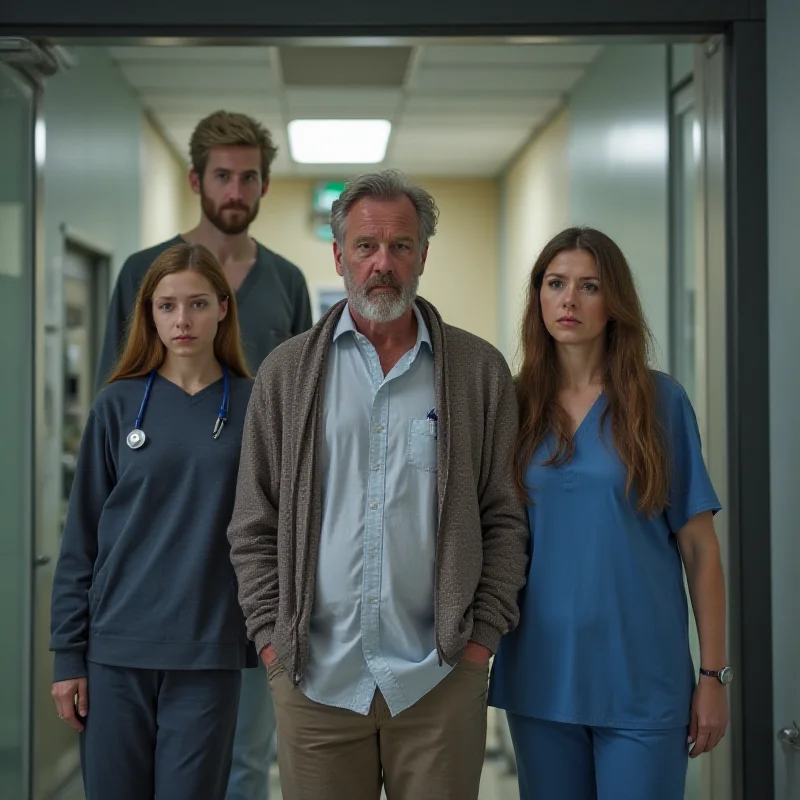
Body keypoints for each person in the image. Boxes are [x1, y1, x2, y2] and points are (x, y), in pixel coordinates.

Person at [226, 169, 530, 800]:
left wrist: (478, 646)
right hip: (315, 683)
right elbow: (254, 521)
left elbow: (504, 516)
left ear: (423, 255)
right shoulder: (285, 375)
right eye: (365, 246)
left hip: (439, 678)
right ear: (340, 255)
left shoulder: (477, 373)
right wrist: (272, 649)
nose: (382, 264)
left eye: (400, 246)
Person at [95, 110, 311, 799]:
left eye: (249, 176)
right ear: (196, 179)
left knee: (244, 756)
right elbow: (120, 402)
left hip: (243, 579)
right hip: (151, 574)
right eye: (223, 174)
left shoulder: (285, 283)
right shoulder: (145, 272)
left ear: (265, 186)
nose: (236, 188)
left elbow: (305, 417)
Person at [489, 227, 730, 800]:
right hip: (543, 676)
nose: (569, 300)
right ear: (539, 298)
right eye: (555, 284)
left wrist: (713, 676)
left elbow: (700, 549)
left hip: (642, 677)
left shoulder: (659, 402)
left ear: (613, 301)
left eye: (589, 286)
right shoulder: (514, 404)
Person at [50, 243, 257, 799]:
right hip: (115, 650)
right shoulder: (116, 406)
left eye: (196, 304)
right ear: (149, 314)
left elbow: (272, 533)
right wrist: (68, 655)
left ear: (223, 308)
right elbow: (81, 540)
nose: (182, 320)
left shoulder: (254, 406)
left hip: (207, 649)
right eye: (166, 306)